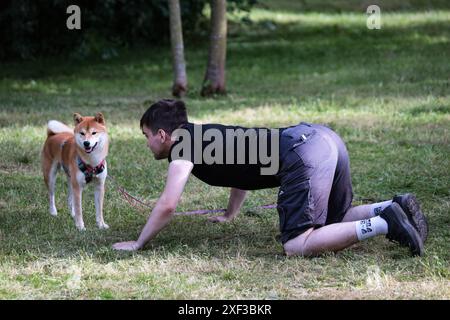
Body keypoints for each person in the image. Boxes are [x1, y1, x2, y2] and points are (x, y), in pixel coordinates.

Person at [112, 99, 428, 257]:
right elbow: (238, 168)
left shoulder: (183, 147)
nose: (146, 142)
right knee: (334, 220)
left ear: (164, 135)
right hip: (322, 137)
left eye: (146, 135)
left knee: (296, 244)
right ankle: (394, 205)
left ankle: (386, 222)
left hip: (303, 153)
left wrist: (139, 243)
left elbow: (168, 205)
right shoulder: (204, 134)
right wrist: (229, 214)